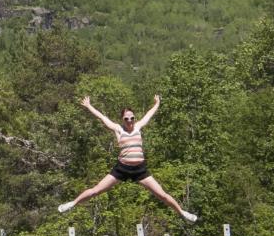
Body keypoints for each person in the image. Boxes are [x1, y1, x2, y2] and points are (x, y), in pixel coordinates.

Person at [58, 94, 198, 223]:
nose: (130, 121)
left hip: (140, 170)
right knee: (96, 190)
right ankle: (73, 203)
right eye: (126, 118)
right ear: (122, 120)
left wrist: (157, 103)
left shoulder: (138, 127)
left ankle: (182, 212)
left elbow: (149, 114)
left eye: (132, 118)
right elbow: (102, 118)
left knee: (162, 195)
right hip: (122, 168)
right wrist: (89, 106)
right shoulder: (119, 129)